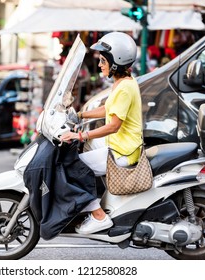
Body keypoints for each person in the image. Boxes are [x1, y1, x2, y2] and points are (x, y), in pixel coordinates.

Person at [60, 32, 143, 234]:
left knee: (72, 170)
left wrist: (80, 135)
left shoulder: (124, 88)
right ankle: (95, 202)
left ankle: (98, 216)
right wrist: (80, 115)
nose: (99, 65)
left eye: (103, 60)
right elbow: (108, 109)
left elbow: (113, 125)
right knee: (78, 152)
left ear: (117, 62)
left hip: (122, 150)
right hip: (117, 143)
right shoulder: (123, 83)